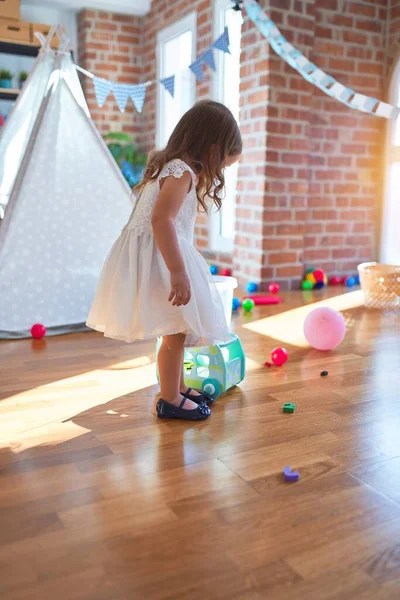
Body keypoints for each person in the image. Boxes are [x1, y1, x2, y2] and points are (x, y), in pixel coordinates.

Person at [87, 100, 242, 421]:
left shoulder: (174, 167)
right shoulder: (181, 171)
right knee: (174, 332)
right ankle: (170, 399)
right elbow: (161, 221)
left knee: (177, 330)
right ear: (212, 149)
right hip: (162, 256)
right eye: (224, 164)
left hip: (160, 252)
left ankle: (178, 387)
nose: (221, 172)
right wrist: (178, 271)